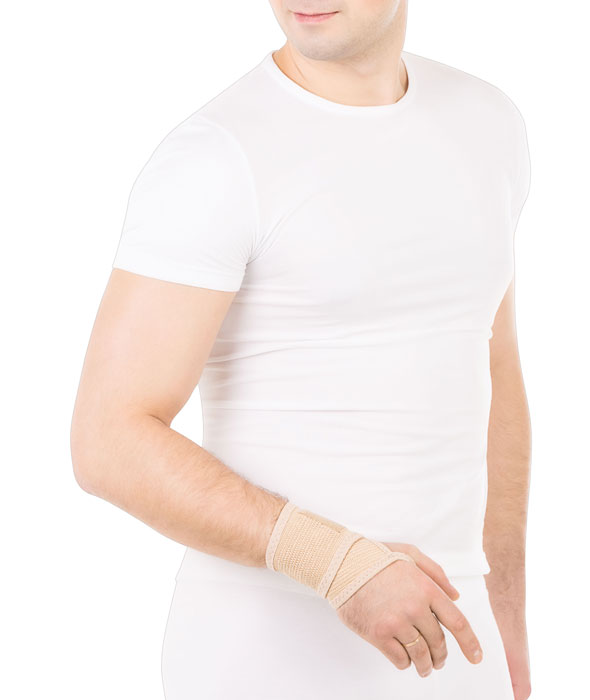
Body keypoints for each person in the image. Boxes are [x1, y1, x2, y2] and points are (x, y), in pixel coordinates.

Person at [70, 1, 532, 698]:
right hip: (265, 657)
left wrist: (507, 610)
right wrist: (340, 563)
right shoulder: (217, 156)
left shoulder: (486, 123)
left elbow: (493, 370)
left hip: (456, 648)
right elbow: (107, 440)